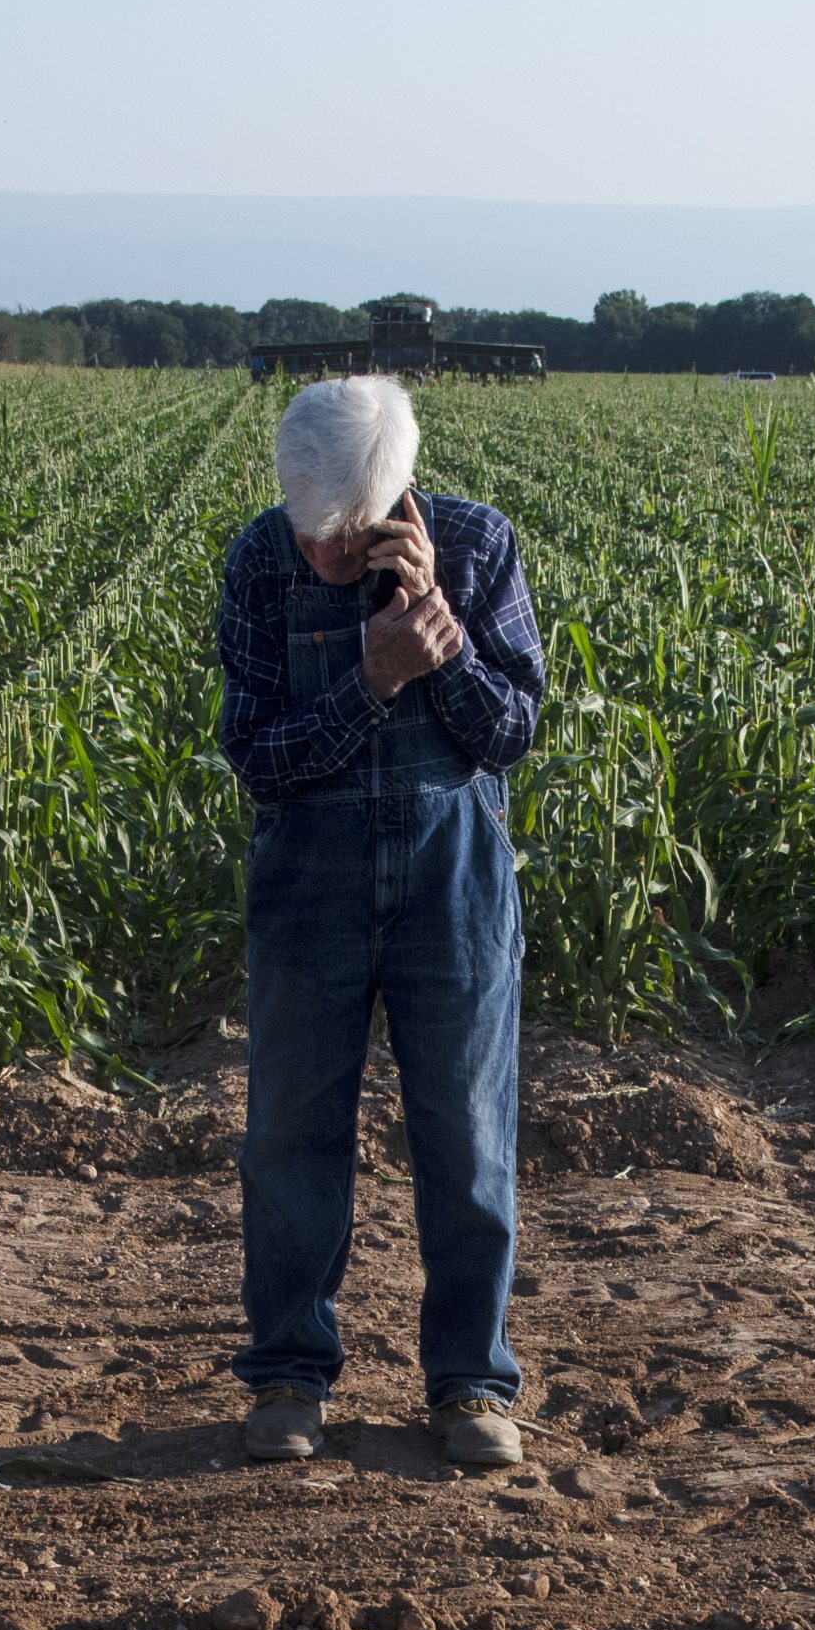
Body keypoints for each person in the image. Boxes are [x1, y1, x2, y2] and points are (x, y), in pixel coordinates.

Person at [213, 374, 544, 1471]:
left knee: (465, 1133)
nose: (321, 560)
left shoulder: (480, 546)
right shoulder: (260, 563)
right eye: (311, 537)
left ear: (398, 507)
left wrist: (439, 646)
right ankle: (289, 1377)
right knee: (290, 1136)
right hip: (309, 875)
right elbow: (259, 760)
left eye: (346, 545)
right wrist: (368, 678)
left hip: (450, 877)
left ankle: (468, 1385)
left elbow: (508, 734)